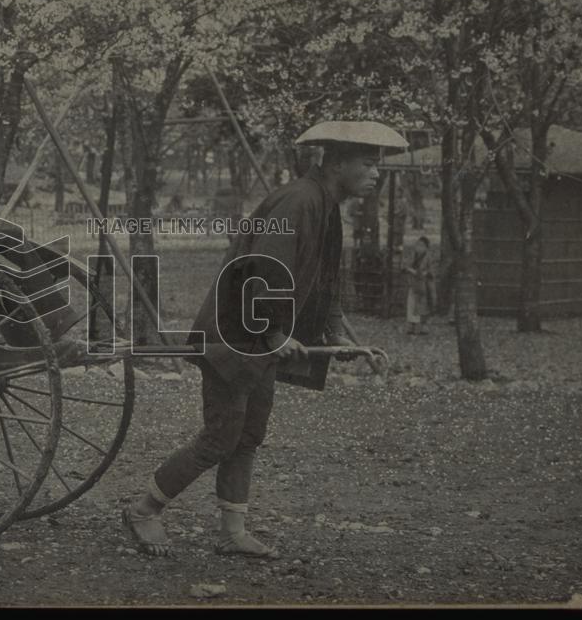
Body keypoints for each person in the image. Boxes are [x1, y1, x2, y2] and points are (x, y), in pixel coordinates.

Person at [121, 120, 407, 559]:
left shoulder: (327, 207)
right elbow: (261, 270)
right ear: (336, 163)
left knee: (249, 434)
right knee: (221, 436)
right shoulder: (298, 202)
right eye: (368, 164)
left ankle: (232, 532)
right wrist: (273, 330)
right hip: (236, 335)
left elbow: (327, 282)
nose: (376, 174)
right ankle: (144, 509)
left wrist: (334, 336)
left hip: (259, 340)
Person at [404, 236, 432, 335]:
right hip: (413, 283)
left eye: (422, 245)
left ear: (426, 247)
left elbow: (430, 271)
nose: (419, 248)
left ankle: (421, 326)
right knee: (411, 304)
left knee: (421, 305)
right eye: (418, 245)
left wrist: (423, 274)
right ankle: (411, 325)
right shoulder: (413, 256)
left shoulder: (428, 257)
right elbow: (407, 266)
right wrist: (411, 271)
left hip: (423, 285)